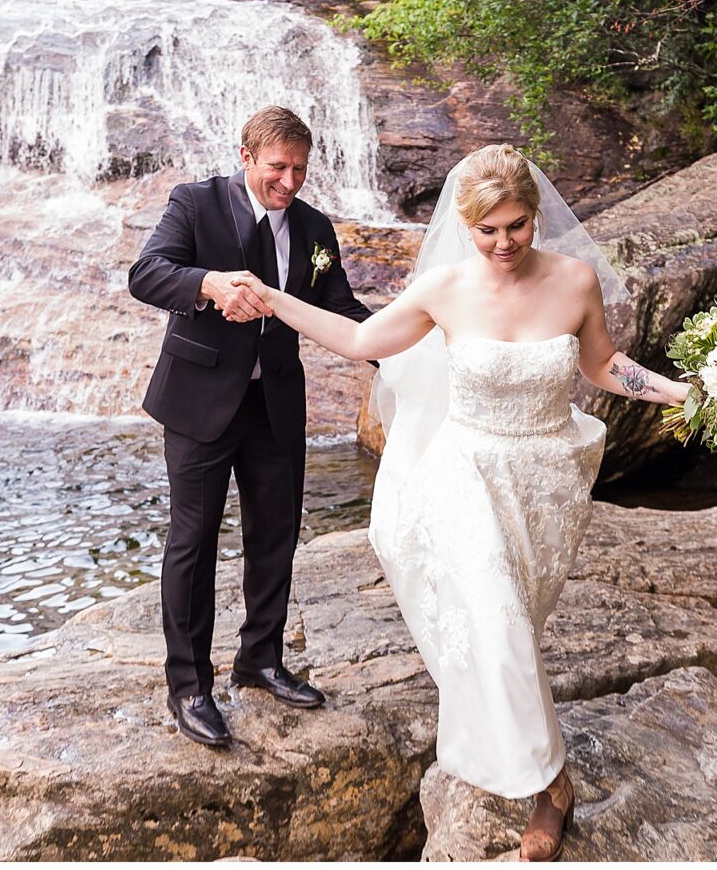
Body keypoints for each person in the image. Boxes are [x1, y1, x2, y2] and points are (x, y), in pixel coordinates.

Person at [231, 144, 691, 860]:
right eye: (488, 230)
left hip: (545, 480)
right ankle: (550, 786)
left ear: (535, 216)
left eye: (516, 226)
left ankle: (522, 748)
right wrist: (272, 296)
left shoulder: (573, 281)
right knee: (495, 613)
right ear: (467, 226)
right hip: (464, 471)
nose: (504, 243)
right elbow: (357, 338)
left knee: (515, 626)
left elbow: (602, 365)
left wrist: (682, 393)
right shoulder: (444, 288)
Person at [128, 106, 373, 748]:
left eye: (299, 169)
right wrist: (208, 284)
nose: (289, 182)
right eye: (277, 168)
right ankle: (189, 687)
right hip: (199, 403)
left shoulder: (316, 228)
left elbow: (343, 310)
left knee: (276, 537)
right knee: (194, 542)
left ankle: (261, 661)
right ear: (246, 157)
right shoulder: (195, 202)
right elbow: (146, 274)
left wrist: (412, 344)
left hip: (276, 407)